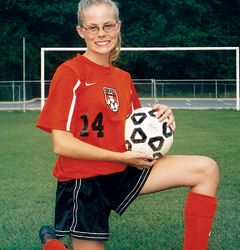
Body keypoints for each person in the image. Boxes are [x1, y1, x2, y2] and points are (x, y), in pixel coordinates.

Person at [37, 0, 220, 249]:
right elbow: (61, 144)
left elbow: (134, 129)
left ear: (118, 26)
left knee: (206, 169)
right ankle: (52, 244)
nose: (101, 33)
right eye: (93, 27)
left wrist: (161, 117)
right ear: (81, 31)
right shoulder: (70, 73)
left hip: (122, 170)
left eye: (108, 25)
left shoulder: (123, 78)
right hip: (83, 182)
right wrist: (120, 157)